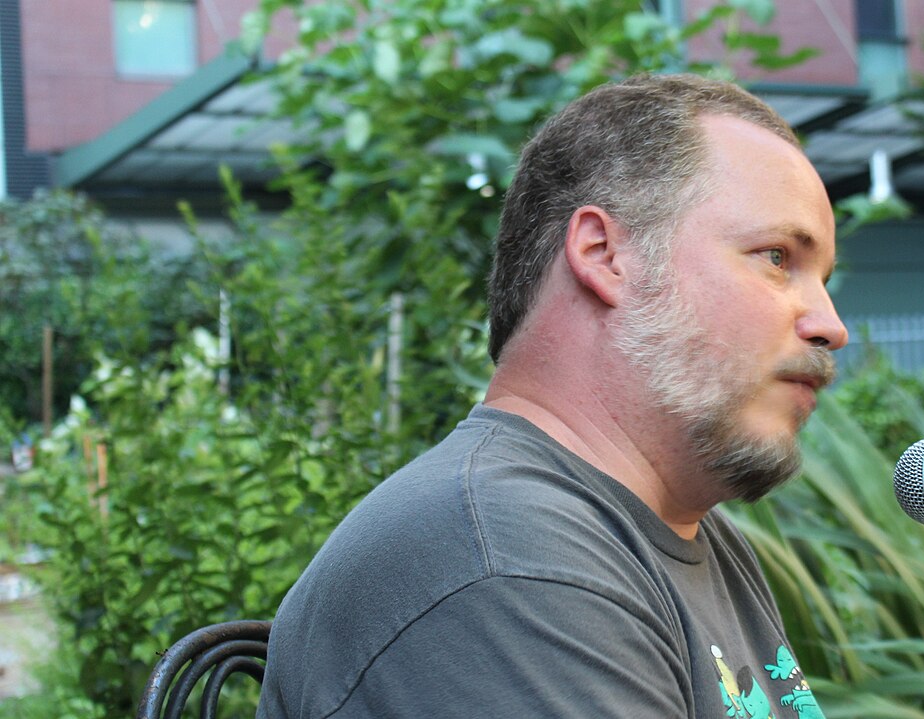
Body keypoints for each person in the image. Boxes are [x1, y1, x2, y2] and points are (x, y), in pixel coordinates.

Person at [257, 73, 849, 718]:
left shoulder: (686, 536)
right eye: (775, 257)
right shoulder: (510, 564)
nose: (830, 324)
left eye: (822, 278)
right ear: (603, 253)